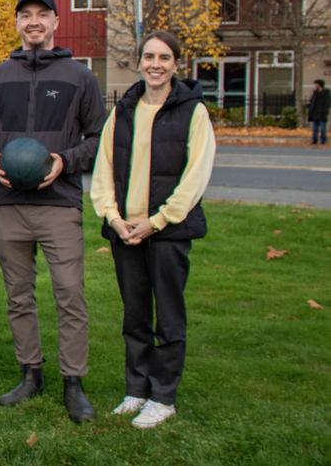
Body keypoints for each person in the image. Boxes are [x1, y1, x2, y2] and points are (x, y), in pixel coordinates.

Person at [0, 0, 106, 423]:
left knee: (69, 293)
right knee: (19, 296)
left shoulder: (80, 77)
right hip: (8, 204)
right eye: (25, 15)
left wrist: (66, 161)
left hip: (59, 203)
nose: (33, 22)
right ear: (17, 24)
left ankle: (74, 382)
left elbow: (100, 138)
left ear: (55, 22)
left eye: (41, 15)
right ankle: (31, 373)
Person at [91, 31, 216, 429]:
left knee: (169, 319)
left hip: (167, 232)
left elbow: (195, 178)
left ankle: (163, 396)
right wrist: (113, 218)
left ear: (176, 64)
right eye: (149, 56)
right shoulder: (124, 109)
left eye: (164, 57)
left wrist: (156, 222)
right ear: (140, 61)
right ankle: (137, 389)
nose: (155, 64)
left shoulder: (192, 112)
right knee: (135, 316)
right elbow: (103, 169)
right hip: (126, 231)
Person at [308, 79, 329, 145]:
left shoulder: (326, 93)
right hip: (315, 113)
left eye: (316, 84)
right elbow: (312, 102)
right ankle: (314, 140)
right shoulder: (315, 93)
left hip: (322, 113)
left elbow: (327, 103)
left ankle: (323, 140)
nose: (315, 86)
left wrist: (325, 112)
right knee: (315, 128)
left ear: (319, 85)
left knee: (323, 128)